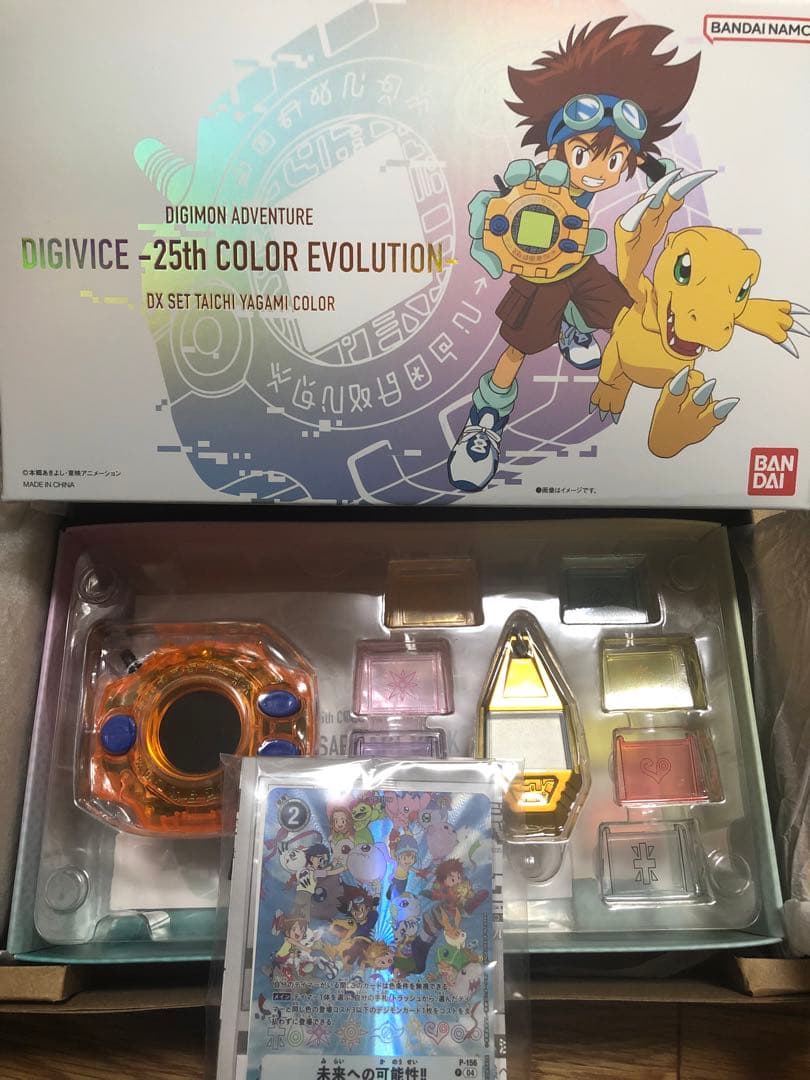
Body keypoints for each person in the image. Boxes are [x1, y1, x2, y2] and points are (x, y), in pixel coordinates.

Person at [448, 16, 700, 492]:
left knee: (627, 317)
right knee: (517, 351)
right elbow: (498, 216)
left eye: (615, 160)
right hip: (540, 276)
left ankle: (574, 323)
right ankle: (484, 422)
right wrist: (490, 227)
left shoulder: (625, 162)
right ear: (558, 147)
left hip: (580, 264)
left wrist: (655, 172)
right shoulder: (535, 182)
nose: (599, 171)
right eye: (583, 154)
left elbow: (650, 164)